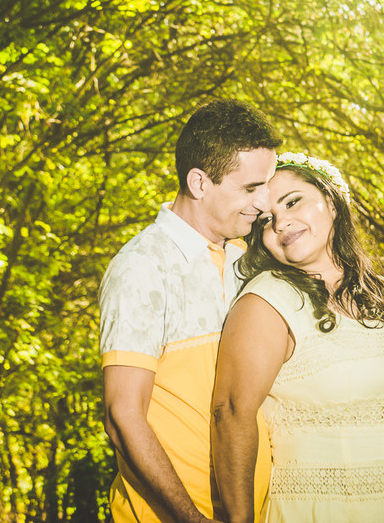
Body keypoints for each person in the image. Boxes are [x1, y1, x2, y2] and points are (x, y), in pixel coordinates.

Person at [211, 152, 384, 523]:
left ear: (332, 202)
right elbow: (230, 413)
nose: (282, 223)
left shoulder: (377, 294)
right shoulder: (268, 301)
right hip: (319, 510)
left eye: (293, 202)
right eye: (267, 220)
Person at [98, 99, 282, 522]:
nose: (265, 203)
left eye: (267, 186)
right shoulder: (142, 266)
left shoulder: (246, 261)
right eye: (251, 188)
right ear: (199, 182)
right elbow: (122, 416)